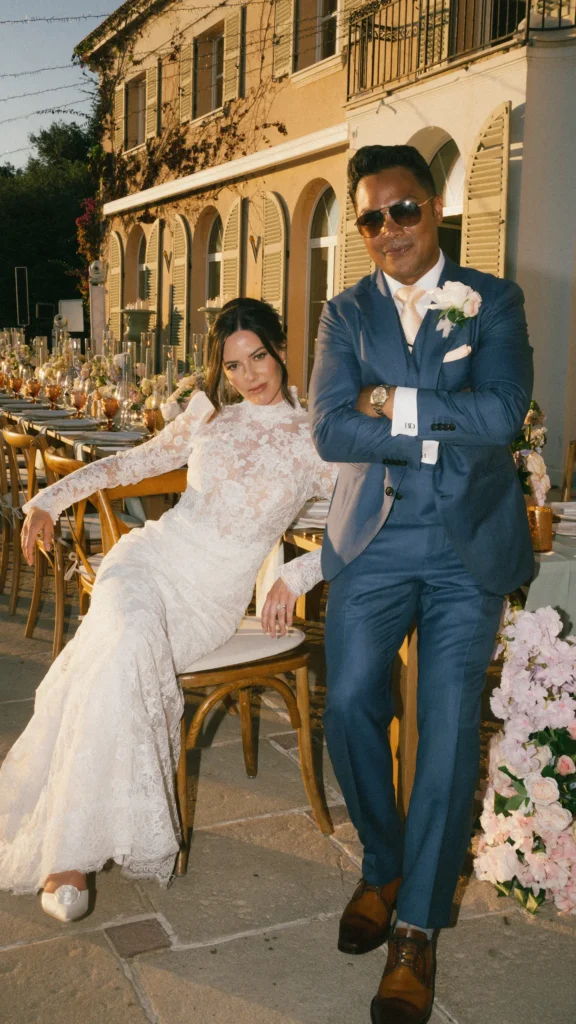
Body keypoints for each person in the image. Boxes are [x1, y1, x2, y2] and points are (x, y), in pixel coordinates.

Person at [0, 298, 335, 922]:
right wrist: (47, 497)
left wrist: (299, 571)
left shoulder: (317, 438)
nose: (249, 375)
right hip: (147, 560)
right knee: (122, 638)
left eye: (258, 356)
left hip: (207, 600)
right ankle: (68, 859)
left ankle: (69, 837)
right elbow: (131, 463)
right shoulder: (208, 415)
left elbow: (366, 517)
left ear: (282, 349)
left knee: (111, 652)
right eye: (233, 365)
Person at [309, 145, 533, 1024]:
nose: (387, 230)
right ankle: (385, 860)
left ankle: (415, 925)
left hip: (466, 546)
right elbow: (331, 430)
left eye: (401, 211)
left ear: (433, 208)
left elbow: (503, 412)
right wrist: (435, 419)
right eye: (370, 219)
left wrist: (390, 407)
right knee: (353, 703)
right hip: (373, 539)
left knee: (444, 728)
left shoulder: (495, 298)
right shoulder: (344, 312)